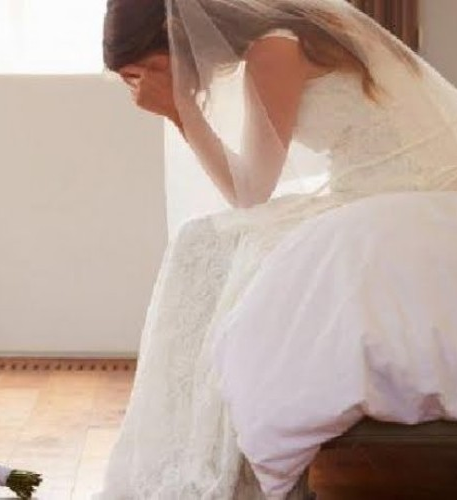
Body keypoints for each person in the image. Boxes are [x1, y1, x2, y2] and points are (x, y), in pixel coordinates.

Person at [97, 0, 457, 499]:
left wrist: (181, 112)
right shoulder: (289, 33)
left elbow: (250, 193)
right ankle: (191, 449)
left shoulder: (274, 51)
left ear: (175, 35)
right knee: (208, 242)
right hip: (377, 192)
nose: (145, 89)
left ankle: (203, 459)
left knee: (206, 246)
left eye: (147, 72)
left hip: (399, 201)